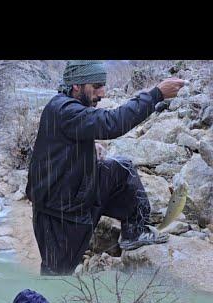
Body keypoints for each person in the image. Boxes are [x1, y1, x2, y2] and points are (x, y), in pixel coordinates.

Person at [26, 60, 186, 275]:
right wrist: (156, 94)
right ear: (77, 86)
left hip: (76, 191)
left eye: (103, 85)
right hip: (60, 212)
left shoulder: (66, 108)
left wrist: (90, 150)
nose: (102, 93)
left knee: (122, 168)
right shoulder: (64, 110)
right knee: (56, 275)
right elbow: (113, 122)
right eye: (96, 86)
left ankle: (134, 232)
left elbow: (67, 141)